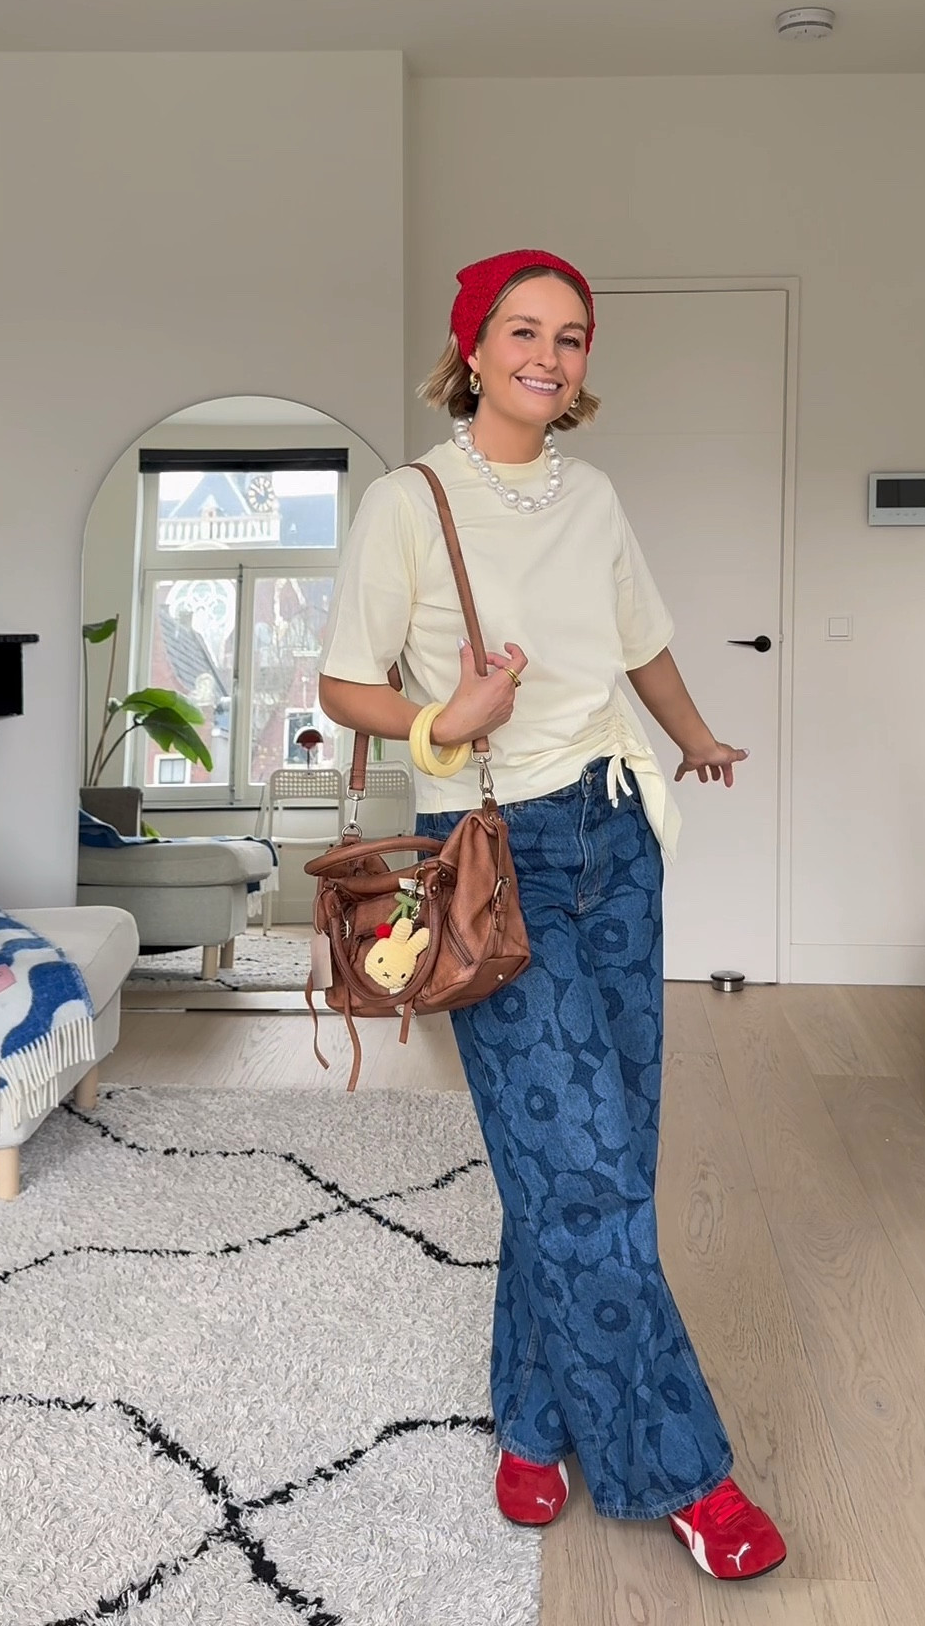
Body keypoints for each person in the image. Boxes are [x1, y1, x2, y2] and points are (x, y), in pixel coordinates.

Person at [318, 248, 786, 1582]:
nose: (549, 354)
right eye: (523, 331)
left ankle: (531, 1421)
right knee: (578, 1169)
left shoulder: (596, 497)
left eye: (571, 337)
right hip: (490, 858)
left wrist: (694, 738)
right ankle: (682, 1472)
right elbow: (343, 682)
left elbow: (639, 641)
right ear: (473, 350)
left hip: (617, 838)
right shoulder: (409, 504)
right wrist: (438, 718)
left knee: (600, 1163)